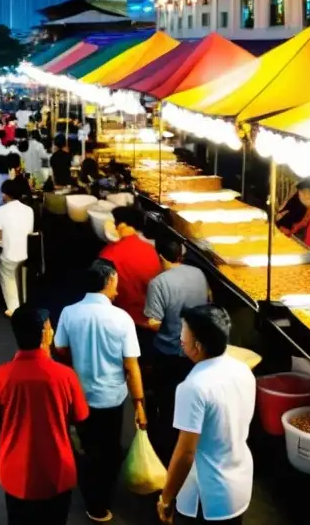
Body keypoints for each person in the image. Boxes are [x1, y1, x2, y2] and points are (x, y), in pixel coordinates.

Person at [0, 305, 89, 525]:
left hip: (16, 475)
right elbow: (81, 415)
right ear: (46, 332)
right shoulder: (66, 376)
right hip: (58, 470)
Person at [54, 259, 146, 523]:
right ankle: (101, 502)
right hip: (112, 398)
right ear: (109, 281)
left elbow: (60, 349)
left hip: (81, 395)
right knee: (109, 450)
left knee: (87, 446)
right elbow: (131, 365)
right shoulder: (121, 318)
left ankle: (91, 498)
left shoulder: (69, 313)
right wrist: (139, 404)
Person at [157, 305, 255, 525]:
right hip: (238, 484)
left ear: (198, 346)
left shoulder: (192, 387)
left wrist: (166, 497)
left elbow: (185, 453)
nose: (180, 339)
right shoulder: (242, 370)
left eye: (184, 334)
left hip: (207, 495)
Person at [145, 237, 210, 459]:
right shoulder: (198, 274)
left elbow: (154, 322)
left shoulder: (159, 283)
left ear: (160, 256)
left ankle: (169, 451)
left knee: (168, 403)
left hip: (169, 353)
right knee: (191, 401)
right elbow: (209, 299)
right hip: (195, 353)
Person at [99, 206, 162, 343]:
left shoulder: (108, 254)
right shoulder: (150, 249)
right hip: (149, 317)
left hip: (122, 317)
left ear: (121, 225)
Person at [0, 179, 35, 317]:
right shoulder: (29, 210)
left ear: (5, 194)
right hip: (26, 252)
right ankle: (24, 304)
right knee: (21, 277)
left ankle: (14, 309)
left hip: (9, 253)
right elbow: (29, 231)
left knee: (7, 277)